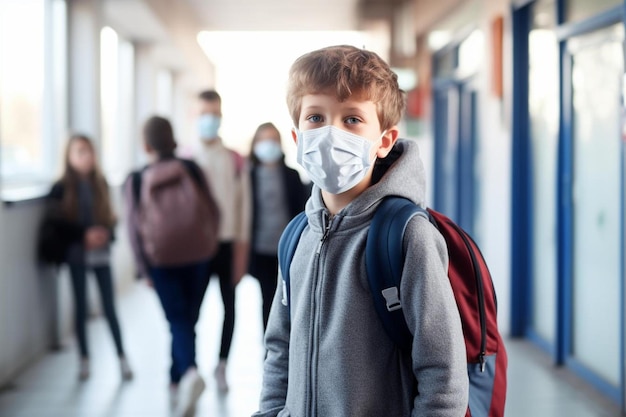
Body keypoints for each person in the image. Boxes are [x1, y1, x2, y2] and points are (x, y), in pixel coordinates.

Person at [253, 45, 469, 416]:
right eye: (316, 118)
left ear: (383, 141)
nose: (330, 133)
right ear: (297, 138)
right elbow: (279, 350)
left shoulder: (406, 236)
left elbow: (443, 374)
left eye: (352, 119)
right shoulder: (296, 236)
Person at [124, 116, 220, 417]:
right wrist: (209, 244)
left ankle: (188, 373)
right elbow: (214, 210)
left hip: (161, 260)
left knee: (177, 320)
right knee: (187, 319)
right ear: (173, 141)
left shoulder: (137, 179)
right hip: (199, 255)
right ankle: (176, 378)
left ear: (146, 145)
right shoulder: (191, 168)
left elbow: (132, 227)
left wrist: (142, 267)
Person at [41, 134, 132, 382]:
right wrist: (84, 235)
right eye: (80, 152)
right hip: (77, 255)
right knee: (80, 308)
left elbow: (111, 218)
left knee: (109, 307)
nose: (86, 157)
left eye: (89, 151)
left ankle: (122, 357)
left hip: (101, 255)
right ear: (69, 156)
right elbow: (57, 223)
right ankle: (84, 360)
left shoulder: (99, 183)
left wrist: (106, 234)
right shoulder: (60, 187)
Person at [195, 90, 252, 392]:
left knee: (231, 308)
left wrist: (242, 249)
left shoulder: (234, 160)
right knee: (193, 309)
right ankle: (186, 367)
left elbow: (244, 207)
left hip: (228, 244)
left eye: (214, 114)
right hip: (196, 248)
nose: (209, 120)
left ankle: (222, 364)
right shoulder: (187, 159)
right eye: (204, 113)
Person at [248, 122, 309, 332]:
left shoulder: (291, 175)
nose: (269, 144)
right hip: (260, 249)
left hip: (287, 250)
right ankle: (269, 348)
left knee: (290, 299)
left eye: (273, 139)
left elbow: (301, 210)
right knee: (268, 301)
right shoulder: (249, 176)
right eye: (264, 139)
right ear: (255, 144)